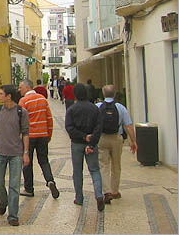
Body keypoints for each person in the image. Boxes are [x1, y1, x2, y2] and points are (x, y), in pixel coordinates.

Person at [0, 85, 30, 227]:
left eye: (0, 93)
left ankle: (13, 215)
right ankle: (3, 202)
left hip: (16, 153)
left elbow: (25, 133)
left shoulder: (21, 112)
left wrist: (26, 153)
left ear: (9, 96)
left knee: (14, 185)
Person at [65, 83, 105, 211]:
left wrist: (83, 137)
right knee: (94, 170)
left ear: (75, 94)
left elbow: (69, 128)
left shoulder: (72, 109)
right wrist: (91, 141)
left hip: (77, 143)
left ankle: (79, 198)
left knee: (77, 171)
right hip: (91, 144)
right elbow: (99, 128)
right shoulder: (95, 109)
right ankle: (99, 195)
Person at [18, 79, 60, 199]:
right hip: (42, 135)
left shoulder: (23, 101)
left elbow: (20, 121)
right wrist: (49, 135)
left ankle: (29, 189)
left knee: (27, 162)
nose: (19, 89)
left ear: (27, 87)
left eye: (21, 87)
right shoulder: (42, 99)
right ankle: (50, 180)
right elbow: (49, 118)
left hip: (29, 137)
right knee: (44, 160)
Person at [95, 85, 138, 204]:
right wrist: (133, 141)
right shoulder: (120, 108)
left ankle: (106, 191)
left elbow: (93, 124)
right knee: (116, 165)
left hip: (102, 138)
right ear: (114, 94)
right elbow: (128, 126)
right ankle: (115, 191)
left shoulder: (97, 107)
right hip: (116, 138)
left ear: (103, 94)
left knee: (103, 165)